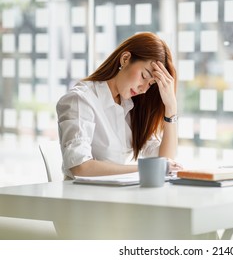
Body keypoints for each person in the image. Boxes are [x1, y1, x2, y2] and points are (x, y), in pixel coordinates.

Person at [56, 32, 182, 179]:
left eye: (151, 84)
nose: (143, 89)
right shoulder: (81, 99)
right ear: (125, 59)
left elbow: (164, 161)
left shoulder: (132, 106)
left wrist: (171, 107)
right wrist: (142, 170)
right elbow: (80, 166)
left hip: (116, 196)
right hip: (82, 198)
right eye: (144, 76)